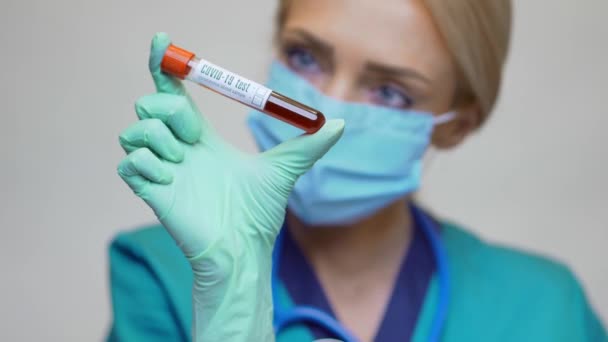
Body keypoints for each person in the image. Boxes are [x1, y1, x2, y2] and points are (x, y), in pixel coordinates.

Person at [108, 0, 607, 341]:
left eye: (390, 92)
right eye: (305, 57)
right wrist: (231, 300)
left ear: (457, 125)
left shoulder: (543, 309)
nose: (331, 110)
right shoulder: (163, 271)